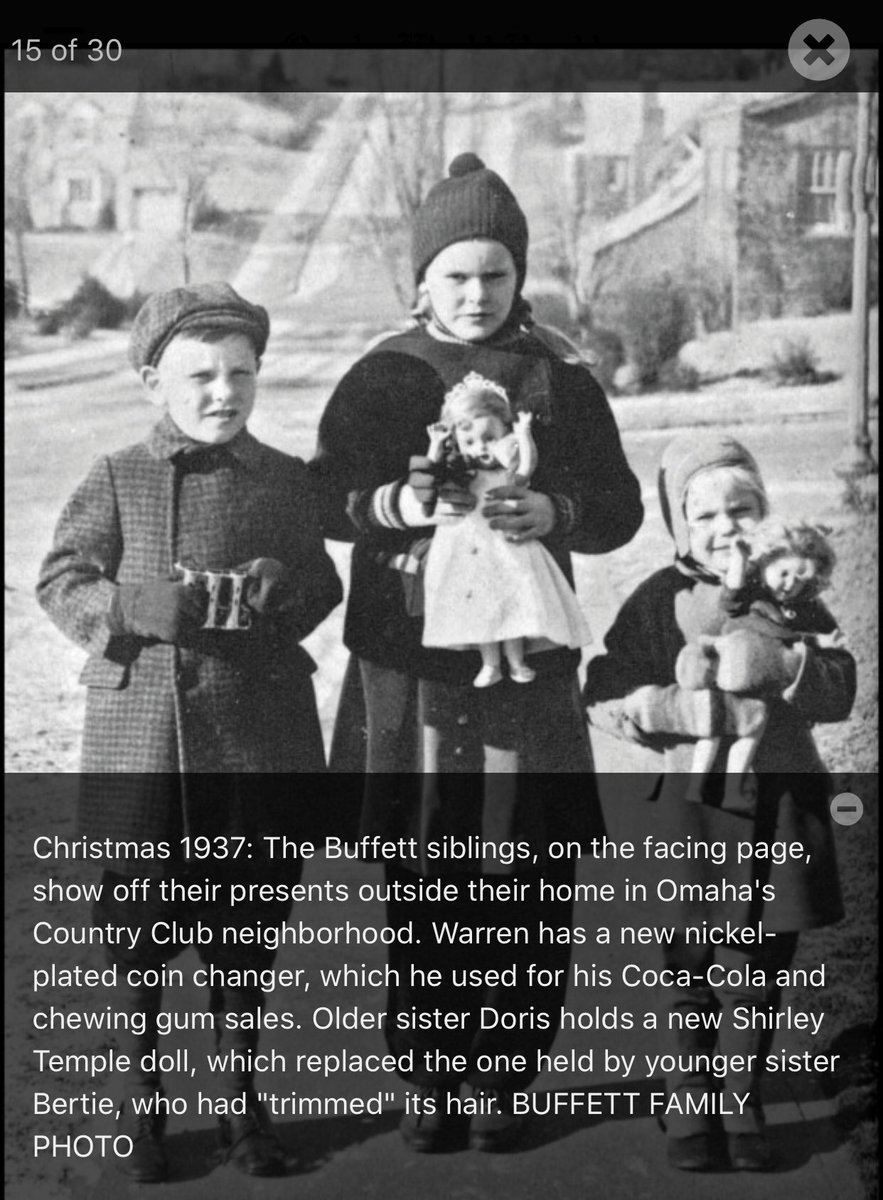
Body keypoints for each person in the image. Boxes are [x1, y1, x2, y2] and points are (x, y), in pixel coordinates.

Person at [310, 153, 643, 1151]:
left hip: (524, 666)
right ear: (420, 279)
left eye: (493, 275)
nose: (474, 295)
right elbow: (326, 494)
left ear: (518, 276)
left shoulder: (560, 376)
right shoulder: (382, 374)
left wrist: (557, 508)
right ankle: (429, 1076)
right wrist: (399, 505)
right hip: (411, 669)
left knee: (525, 871)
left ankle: (503, 1076)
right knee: (426, 873)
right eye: (454, 275)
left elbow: (620, 508)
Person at [36, 282, 343, 1182]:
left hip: (256, 733)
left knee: (245, 930)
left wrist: (287, 590)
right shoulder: (118, 474)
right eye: (199, 375)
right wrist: (132, 604)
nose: (222, 393)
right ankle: (145, 1103)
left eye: (240, 374)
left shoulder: (285, 480)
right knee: (140, 928)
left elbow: (322, 585)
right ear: (150, 381)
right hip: (148, 740)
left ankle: (244, 1105)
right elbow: (61, 580)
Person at [583, 432, 856, 1172]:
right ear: (678, 525)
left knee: (759, 964)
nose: (725, 526)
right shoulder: (657, 601)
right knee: (686, 960)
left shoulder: (794, 596)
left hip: (774, 806)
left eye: (742, 507)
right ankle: (687, 1087)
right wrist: (664, 707)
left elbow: (840, 687)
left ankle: (741, 1092)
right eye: (703, 514)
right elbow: (601, 692)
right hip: (684, 809)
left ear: (764, 512)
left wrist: (791, 664)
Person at [422, 372, 590, 692]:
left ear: (503, 434)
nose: (481, 448)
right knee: (483, 609)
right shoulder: (461, 475)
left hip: (508, 549)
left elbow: (526, 467)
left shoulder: (505, 473)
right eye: (470, 442)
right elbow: (429, 477)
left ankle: (516, 661)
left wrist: (524, 433)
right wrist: (435, 444)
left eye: (489, 438)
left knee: (513, 606)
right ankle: (490, 663)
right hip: (468, 549)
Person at [676, 517, 840, 804]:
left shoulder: (793, 609)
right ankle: (697, 786)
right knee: (712, 731)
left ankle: (729, 791)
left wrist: (821, 642)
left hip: (752, 684)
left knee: (746, 734)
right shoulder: (753, 593)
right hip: (726, 666)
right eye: (784, 573)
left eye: (801, 581)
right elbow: (732, 594)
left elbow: (796, 637)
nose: (790, 585)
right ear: (767, 562)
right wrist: (739, 557)